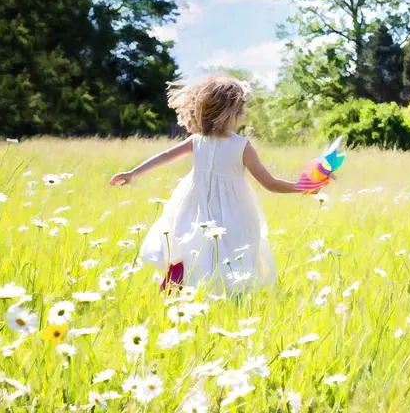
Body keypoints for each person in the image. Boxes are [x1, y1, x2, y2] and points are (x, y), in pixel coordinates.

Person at [109, 75, 306, 295]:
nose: (244, 113)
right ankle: (224, 294)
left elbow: (165, 156)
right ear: (228, 112)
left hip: (195, 204)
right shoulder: (241, 146)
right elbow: (269, 183)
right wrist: (302, 187)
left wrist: (134, 173)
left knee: (191, 245)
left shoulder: (198, 140)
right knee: (230, 251)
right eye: (241, 109)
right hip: (232, 210)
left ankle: (181, 288)